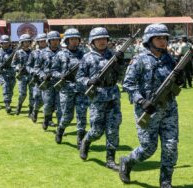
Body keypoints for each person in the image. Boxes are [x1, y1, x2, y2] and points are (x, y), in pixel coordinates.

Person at [120, 24, 183, 188]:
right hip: (148, 110)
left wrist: (180, 78)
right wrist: (141, 101)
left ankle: (165, 181)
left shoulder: (169, 58)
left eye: (165, 38)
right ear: (149, 40)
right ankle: (127, 161)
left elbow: (174, 84)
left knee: (171, 146)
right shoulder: (139, 59)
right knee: (148, 148)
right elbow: (127, 84)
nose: (163, 41)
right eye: (158, 38)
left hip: (169, 109)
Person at [78, 27, 124, 171]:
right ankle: (86, 141)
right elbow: (79, 77)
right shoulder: (87, 57)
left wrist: (121, 62)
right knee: (97, 131)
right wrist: (89, 82)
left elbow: (121, 75)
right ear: (93, 42)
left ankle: (110, 159)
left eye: (104, 39)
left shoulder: (113, 55)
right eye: (99, 39)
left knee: (113, 129)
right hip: (97, 96)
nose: (102, 41)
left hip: (113, 96)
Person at [51, 28, 87, 148]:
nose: (74, 41)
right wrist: (60, 75)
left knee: (82, 116)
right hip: (66, 89)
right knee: (67, 116)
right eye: (72, 39)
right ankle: (60, 129)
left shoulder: (85, 54)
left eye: (76, 39)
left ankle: (80, 140)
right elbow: (53, 71)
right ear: (67, 41)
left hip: (81, 89)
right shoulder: (60, 54)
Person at [35, 31, 62, 130]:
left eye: (57, 40)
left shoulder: (63, 52)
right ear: (49, 41)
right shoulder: (42, 53)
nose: (55, 42)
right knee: (47, 104)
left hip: (60, 83)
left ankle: (60, 127)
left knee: (59, 106)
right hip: (47, 83)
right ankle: (46, 119)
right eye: (53, 40)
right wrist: (42, 76)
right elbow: (37, 68)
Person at [0, 35, 16, 114]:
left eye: (7, 43)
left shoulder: (13, 52)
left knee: (11, 89)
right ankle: (7, 105)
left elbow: (16, 62)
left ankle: (8, 101)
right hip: (3, 74)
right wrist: (0, 66)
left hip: (12, 73)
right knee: (5, 87)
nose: (5, 44)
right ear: (1, 43)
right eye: (4, 43)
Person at [12, 34, 33, 116]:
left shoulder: (33, 52)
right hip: (22, 76)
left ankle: (31, 110)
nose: (27, 43)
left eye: (28, 41)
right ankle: (19, 105)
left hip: (31, 76)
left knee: (33, 94)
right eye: (25, 42)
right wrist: (18, 68)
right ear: (22, 43)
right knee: (22, 94)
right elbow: (13, 64)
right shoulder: (18, 52)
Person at [28, 33, 47, 122]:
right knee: (38, 98)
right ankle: (35, 112)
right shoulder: (34, 53)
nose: (43, 43)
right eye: (41, 41)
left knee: (48, 100)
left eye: (44, 41)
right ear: (38, 42)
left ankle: (48, 119)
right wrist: (33, 72)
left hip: (49, 79)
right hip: (38, 79)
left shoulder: (52, 52)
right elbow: (28, 66)